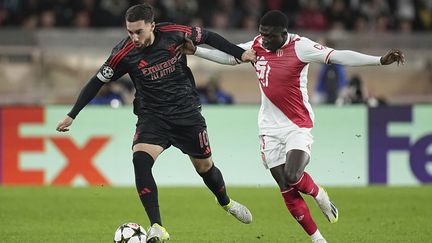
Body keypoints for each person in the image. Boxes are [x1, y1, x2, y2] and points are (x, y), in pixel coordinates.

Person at [179, 10, 405, 243]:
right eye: (262, 33)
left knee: (294, 175)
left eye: (270, 36)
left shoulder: (301, 46)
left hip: (297, 124)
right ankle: (318, 239)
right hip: (268, 128)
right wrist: (196, 50)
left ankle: (319, 194)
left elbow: (338, 56)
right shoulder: (257, 45)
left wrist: (378, 60)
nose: (264, 39)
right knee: (286, 187)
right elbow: (230, 57)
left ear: (284, 34)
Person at [55, 3, 255, 243]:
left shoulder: (174, 32)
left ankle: (226, 203)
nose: (134, 37)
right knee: (140, 160)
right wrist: (72, 114)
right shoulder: (124, 53)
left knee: (205, 168)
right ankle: (158, 226)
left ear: (152, 25)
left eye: (138, 31)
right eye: (129, 32)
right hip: (152, 117)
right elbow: (97, 81)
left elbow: (209, 36)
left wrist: (239, 53)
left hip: (186, 114)